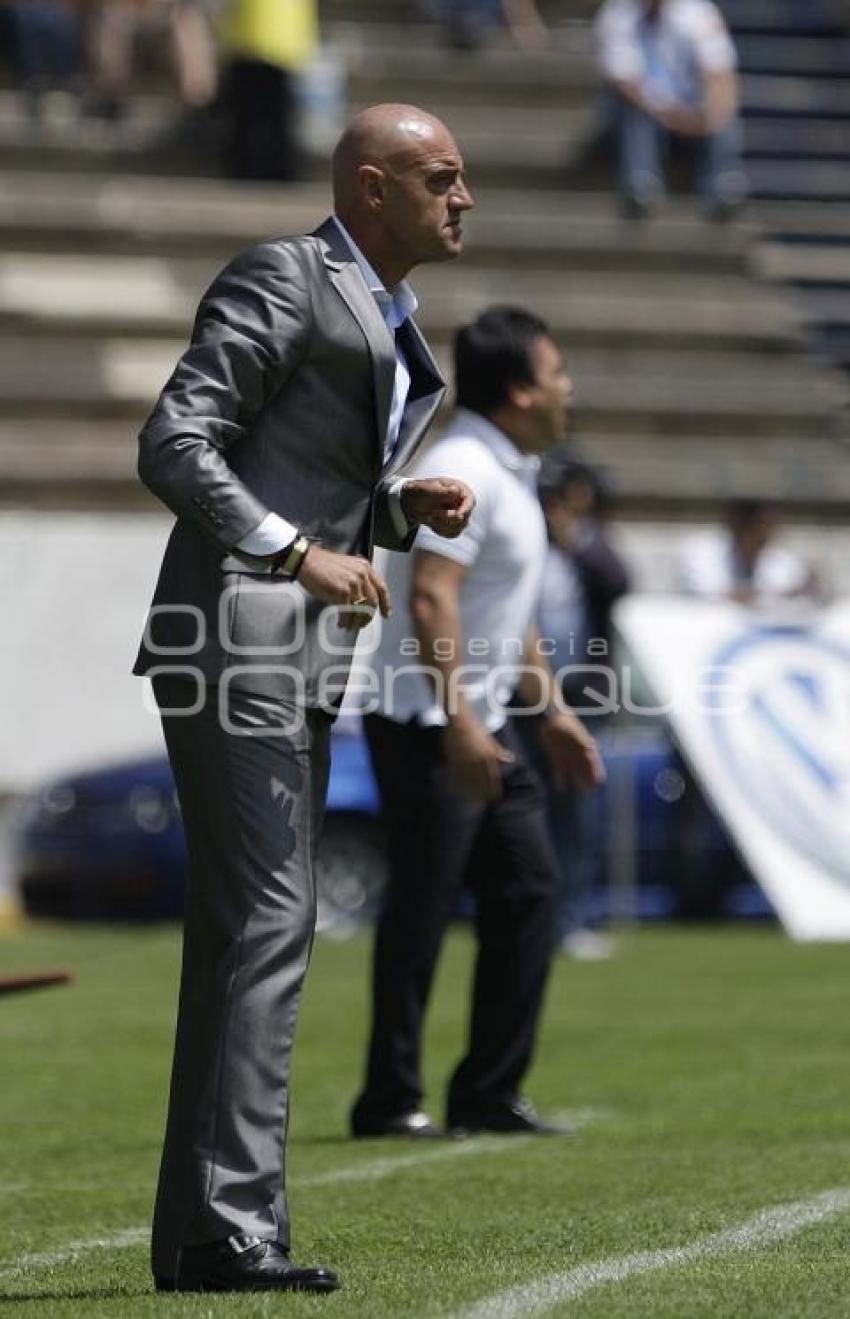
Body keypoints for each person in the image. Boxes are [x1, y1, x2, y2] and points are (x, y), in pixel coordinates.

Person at [133, 103, 475, 1294]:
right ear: (371, 187)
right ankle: (228, 1231)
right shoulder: (286, 272)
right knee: (269, 927)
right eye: (441, 178)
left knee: (252, 932)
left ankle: (205, 1232)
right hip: (239, 635)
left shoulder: (385, 311)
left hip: (284, 645)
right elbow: (175, 440)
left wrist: (390, 510)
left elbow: (293, 468)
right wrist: (291, 553)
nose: (463, 197)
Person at [350, 307, 606, 1142]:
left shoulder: (510, 470)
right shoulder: (465, 465)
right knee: (422, 910)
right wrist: (459, 723)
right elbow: (433, 596)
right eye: (559, 371)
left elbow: (506, 618)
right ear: (523, 389)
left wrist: (555, 712)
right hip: (431, 724)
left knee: (530, 887)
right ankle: (389, 1100)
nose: (570, 388)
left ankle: (488, 1092)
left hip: (479, 722)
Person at [528, 455, 630, 960]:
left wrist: (578, 542)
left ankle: (569, 918)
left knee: (578, 811)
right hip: (526, 696)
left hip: (580, 694)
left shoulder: (588, 551)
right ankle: (530, 919)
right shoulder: (525, 547)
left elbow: (619, 582)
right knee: (529, 807)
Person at [595, 0, 748, 219]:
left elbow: (720, 74)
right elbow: (625, 83)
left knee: (724, 115)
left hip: (688, 115)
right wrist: (673, 116)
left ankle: (724, 188)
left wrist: (712, 114)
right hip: (642, 115)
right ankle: (641, 184)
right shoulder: (617, 14)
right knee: (634, 113)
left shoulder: (699, 13)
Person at [217, 0, 317, 181]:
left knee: (252, 115)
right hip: (283, 41)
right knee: (275, 115)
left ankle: (253, 166)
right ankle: (275, 168)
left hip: (249, 40)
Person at [679, 499, 820, 604]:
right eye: (761, 527)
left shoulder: (778, 557)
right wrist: (776, 595)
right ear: (740, 526)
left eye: (771, 528)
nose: (768, 534)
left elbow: (802, 586)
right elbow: (712, 594)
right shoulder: (703, 550)